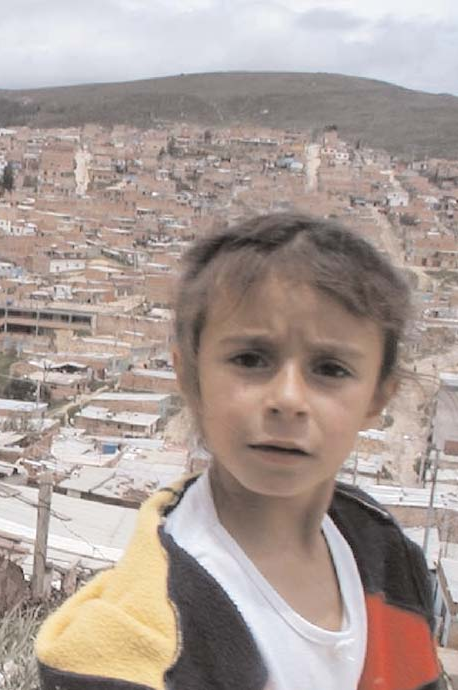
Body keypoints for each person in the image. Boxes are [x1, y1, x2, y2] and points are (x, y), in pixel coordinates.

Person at [34, 214, 444, 689]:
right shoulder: (140, 646)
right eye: (250, 359)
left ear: (378, 396)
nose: (288, 399)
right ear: (190, 377)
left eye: (330, 369)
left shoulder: (387, 558)